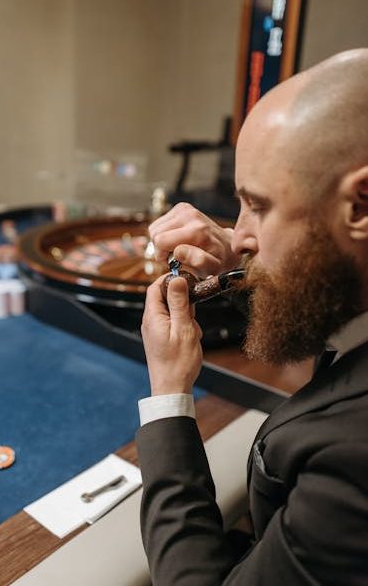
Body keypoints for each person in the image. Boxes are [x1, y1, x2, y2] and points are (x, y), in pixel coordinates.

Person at [136, 49, 368, 585]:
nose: (237, 235)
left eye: (258, 206)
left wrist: (169, 394)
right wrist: (243, 267)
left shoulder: (354, 462)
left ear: (360, 204)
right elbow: (326, 307)